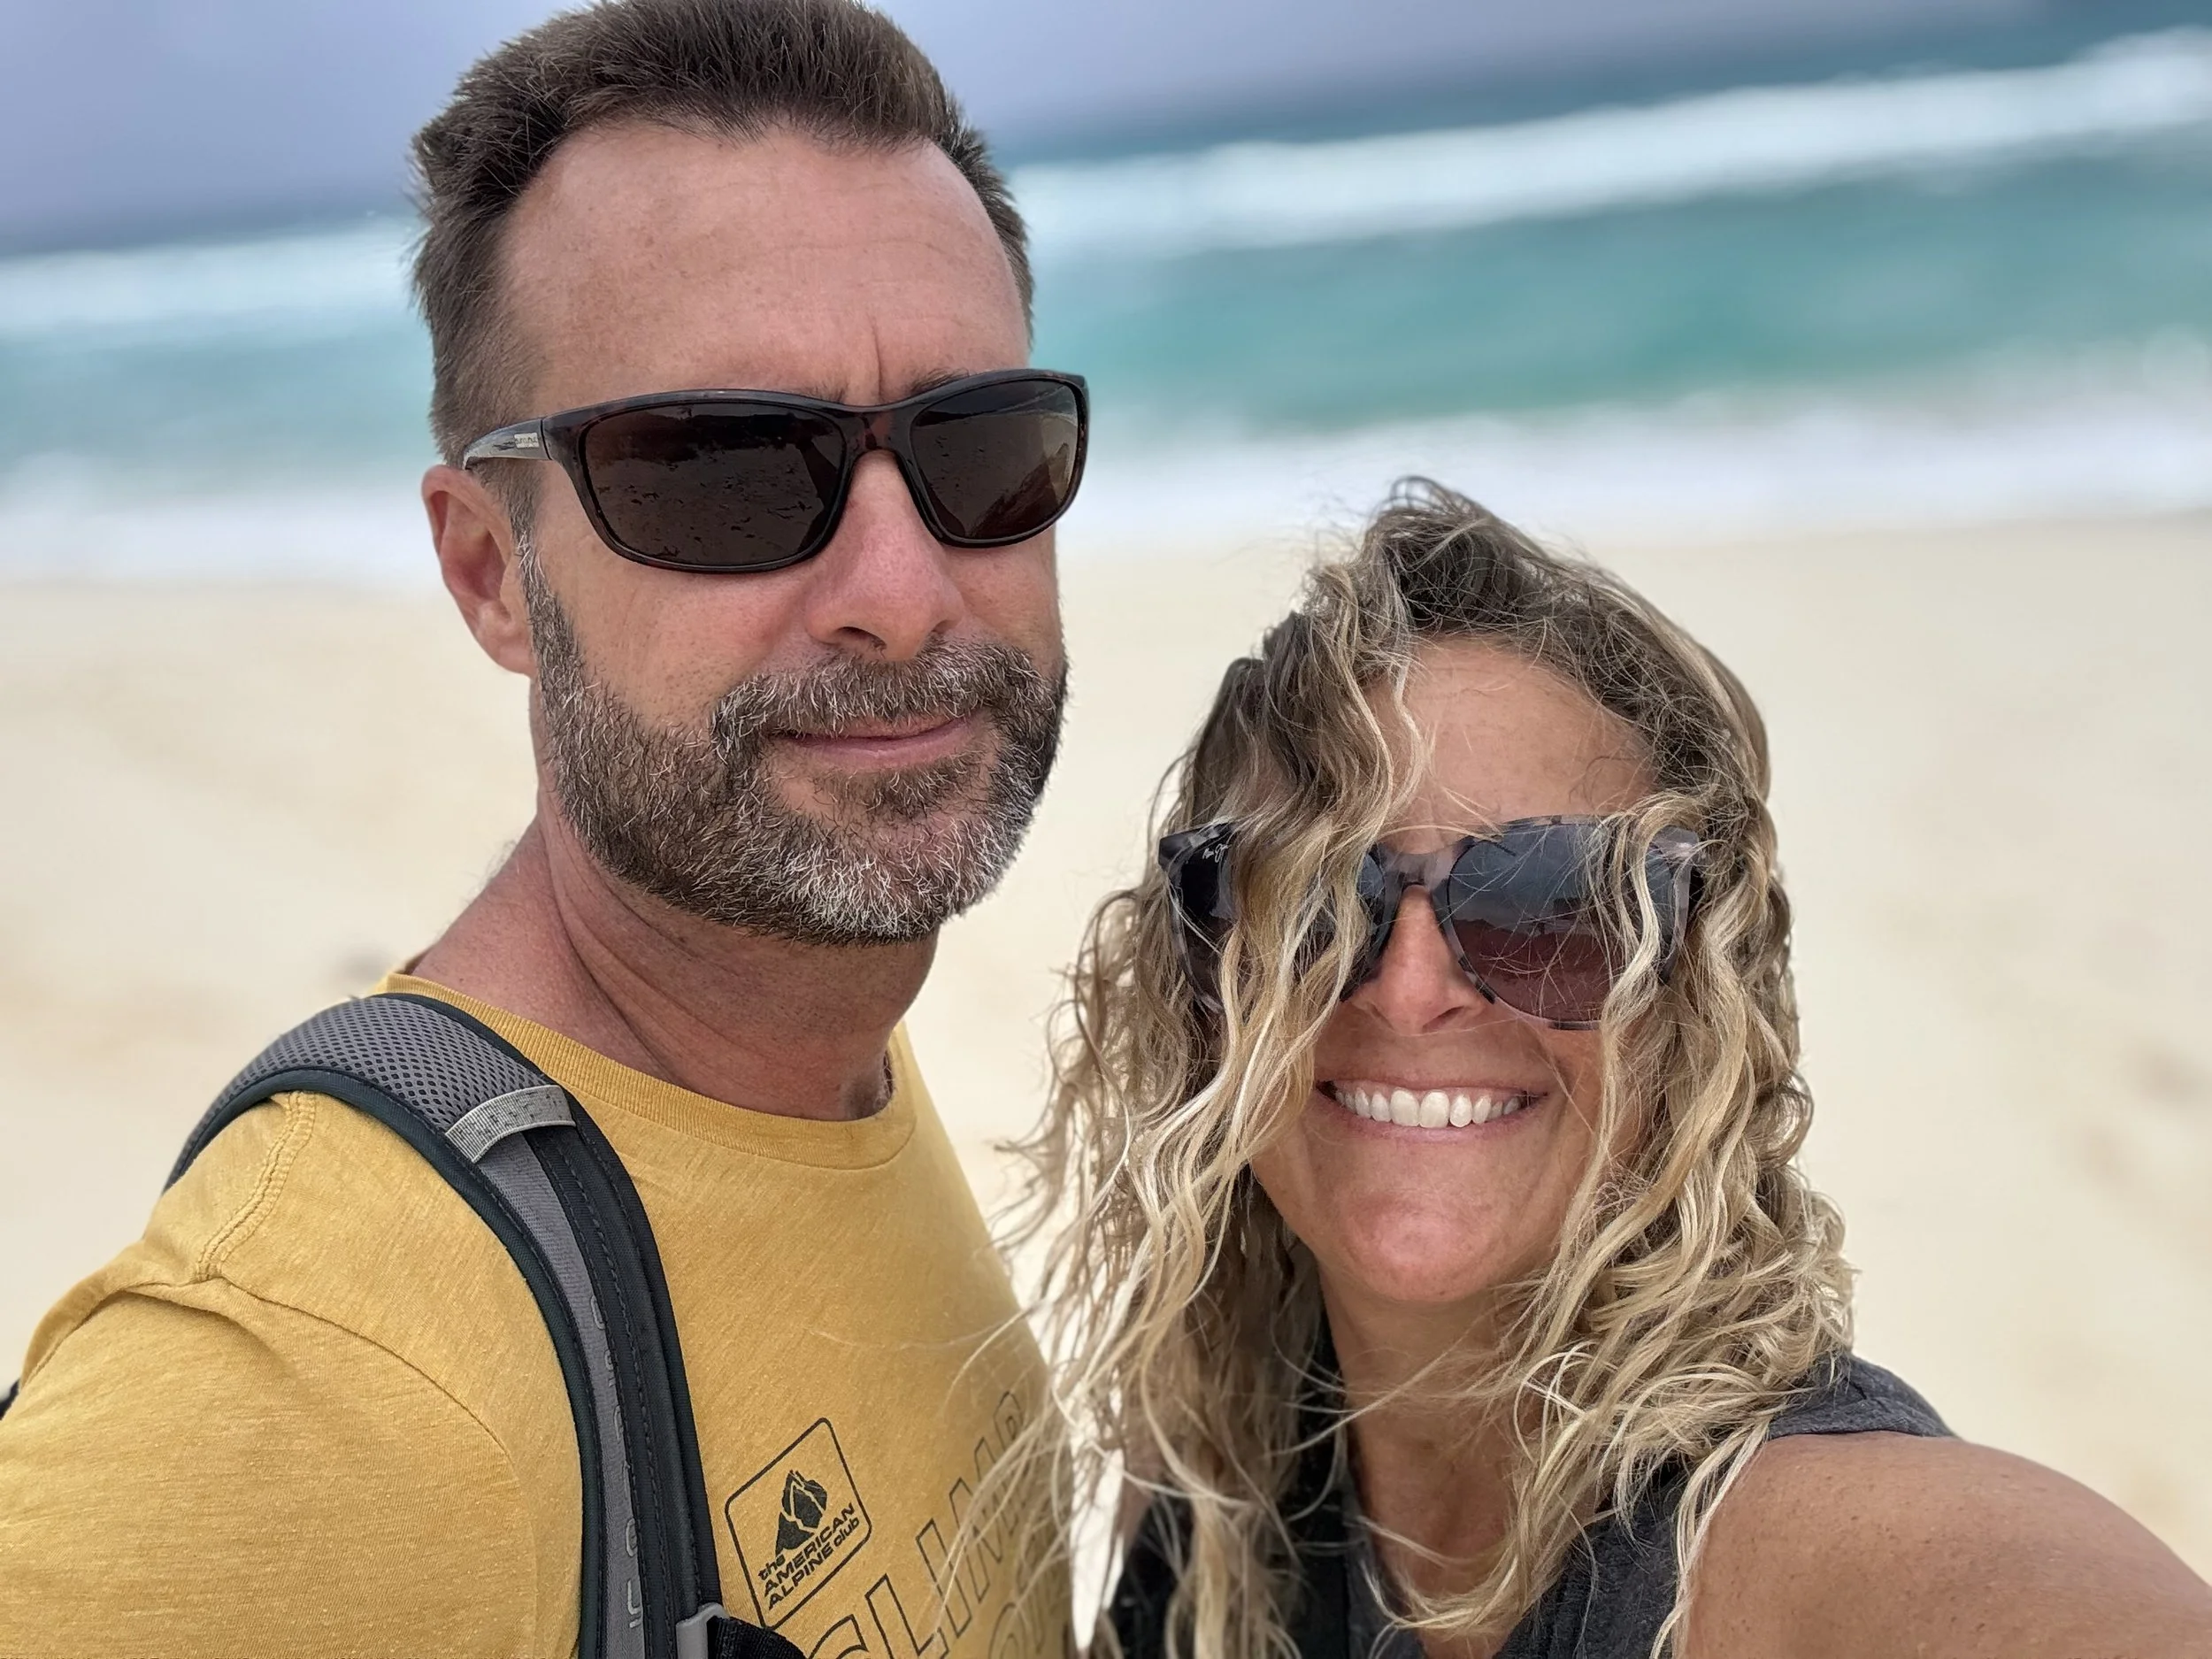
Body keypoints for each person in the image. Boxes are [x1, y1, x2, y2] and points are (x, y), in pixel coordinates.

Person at [0, 3, 1081, 1655]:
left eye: (980, 450)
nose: (902, 589)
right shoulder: (312, 1373)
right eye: (724, 471)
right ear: (491, 571)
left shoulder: (818, 1053)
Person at [1008, 482, 2212, 1659]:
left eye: (1546, 903)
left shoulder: (1801, 1546)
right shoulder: (1213, 1479)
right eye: (1309, 903)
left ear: (1697, 1002)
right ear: (1199, 978)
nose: (1412, 992)